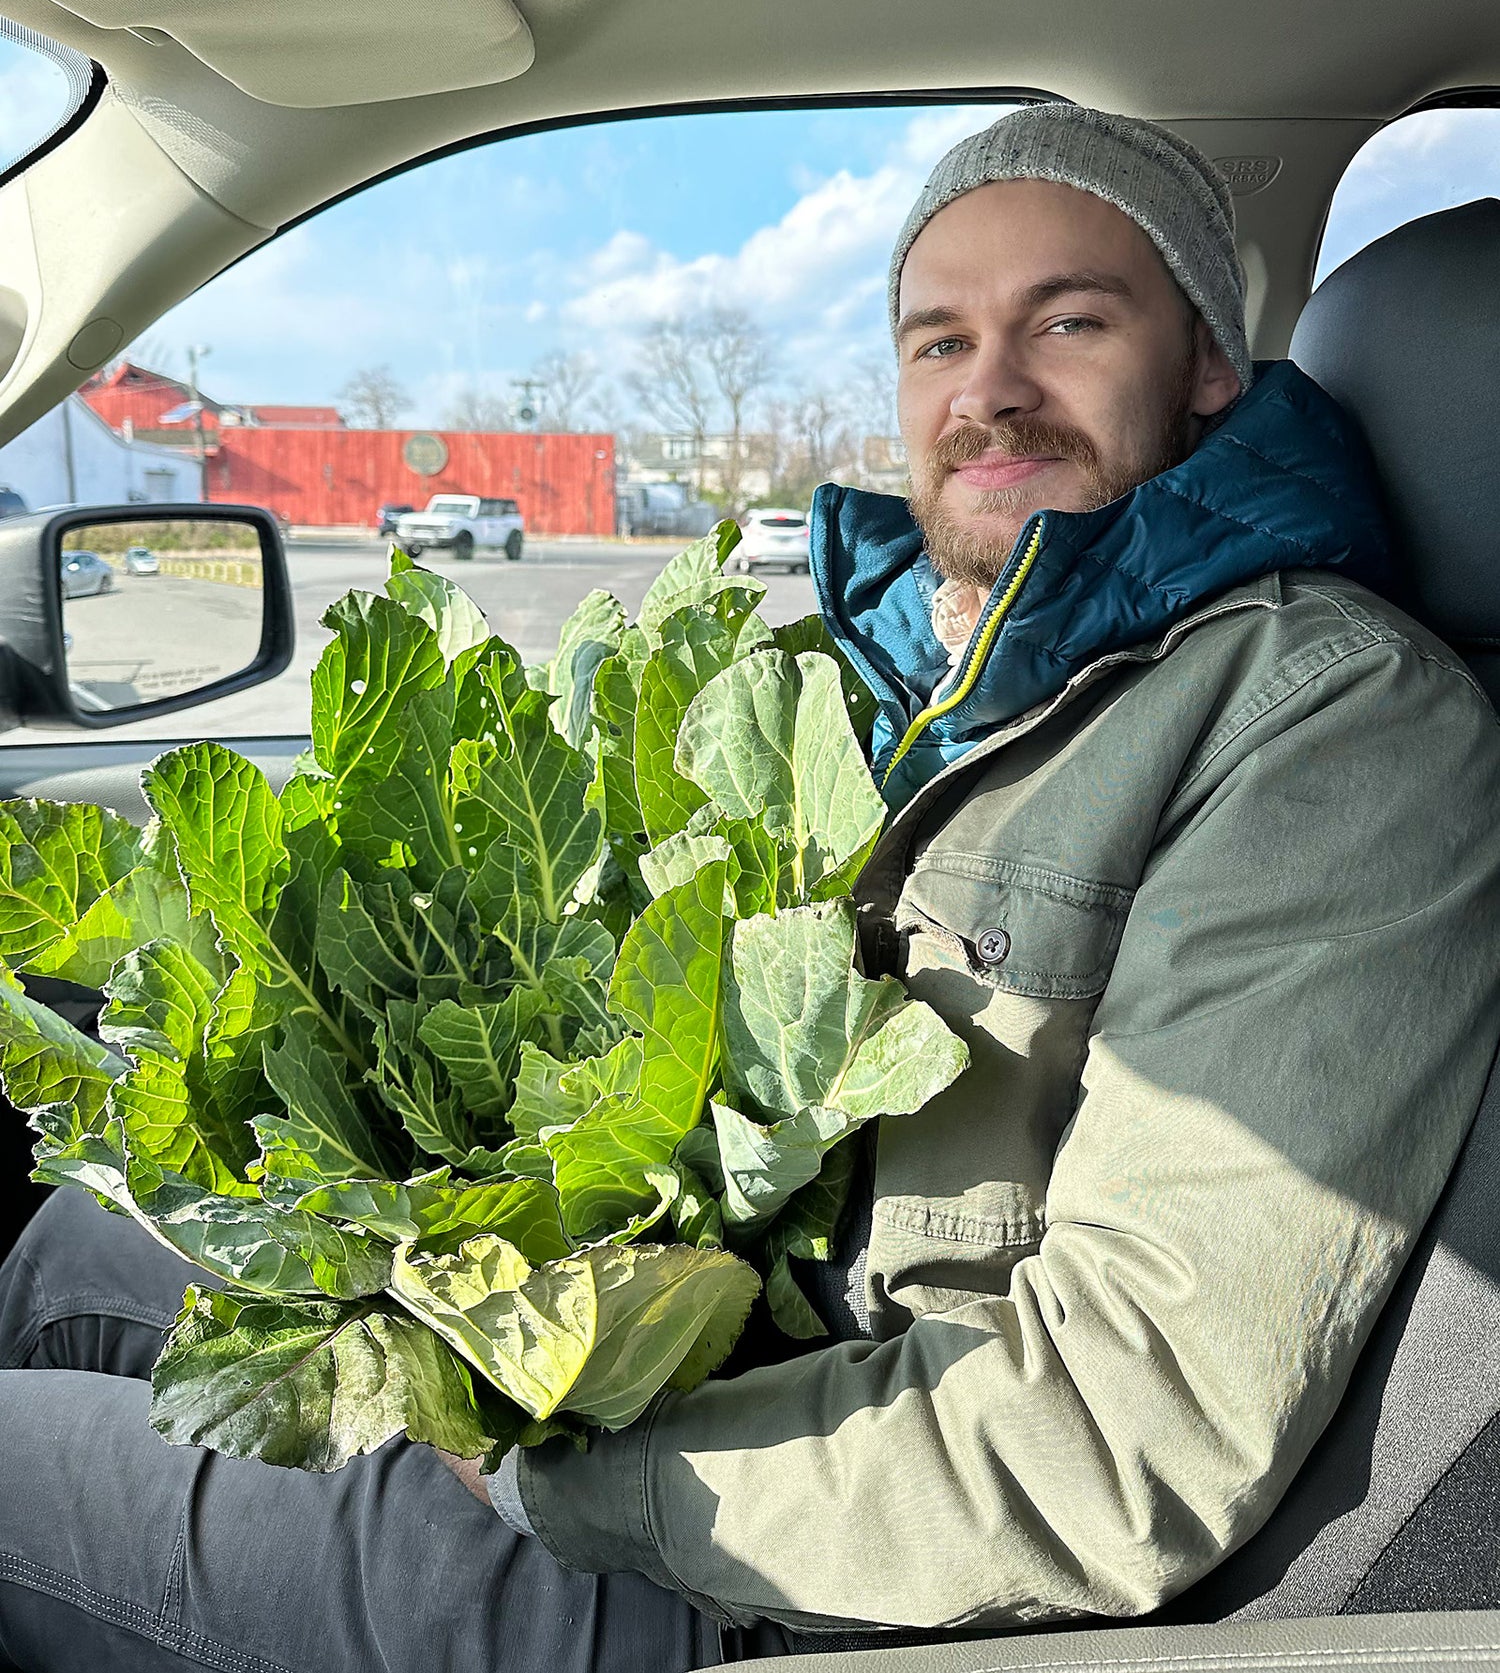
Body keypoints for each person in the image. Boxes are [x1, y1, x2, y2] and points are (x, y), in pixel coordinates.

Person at [1, 105, 1497, 1671]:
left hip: (793, 1576)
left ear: (1205, 362)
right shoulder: (929, 666)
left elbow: (1126, 1432)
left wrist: (545, 1468)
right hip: (666, 1370)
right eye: (938, 341)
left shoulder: (1332, 725)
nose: (988, 389)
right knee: (73, 1253)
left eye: (1067, 319)